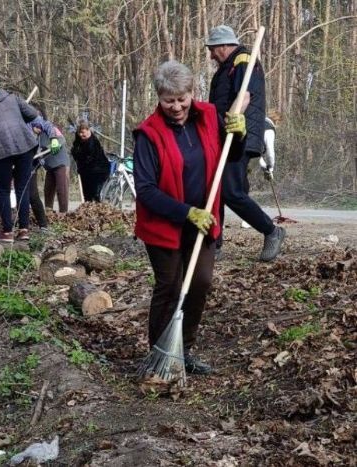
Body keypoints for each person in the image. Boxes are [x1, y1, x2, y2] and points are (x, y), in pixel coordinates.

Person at [133, 60, 247, 374]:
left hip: (204, 222)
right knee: (170, 287)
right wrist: (187, 213)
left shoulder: (209, 116)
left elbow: (230, 156)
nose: (177, 106)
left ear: (191, 92)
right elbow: (145, 190)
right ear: (159, 97)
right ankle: (159, 356)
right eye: (169, 100)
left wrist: (238, 135)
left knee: (199, 283)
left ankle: (183, 351)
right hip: (164, 226)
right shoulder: (148, 134)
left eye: (182, 98)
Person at [206, 25, 286, 262]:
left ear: (223, 45)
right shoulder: (225, 67)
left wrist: (233, 121)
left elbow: (245, 96)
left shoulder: (242, 59)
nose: (211, 55)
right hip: (223, 135)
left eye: (212, 50)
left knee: (231, 192)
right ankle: (214, 244)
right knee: (215, 190)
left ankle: (272, 231)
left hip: (239, 134)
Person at [0, 79, 39, 243]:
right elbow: (32, 114)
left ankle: (8, 232)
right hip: (25, 145)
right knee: (22, 188)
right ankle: (24, 230)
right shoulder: (12, 97)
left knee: (2, 190)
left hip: (0, 150)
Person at [28, 108, 70, 213]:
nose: (36, 128)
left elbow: (61, 140)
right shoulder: (36, 137)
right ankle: (48, 211)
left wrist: (49, 146)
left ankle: (63, 213)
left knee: (61, 189)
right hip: (49, 167)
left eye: (37, 125)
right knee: (48, 189)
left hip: (60, 163)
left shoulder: (51, 129)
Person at [71, 121, 111, 202]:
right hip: (86, 171)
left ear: (88, 130)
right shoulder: (78, 141)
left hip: (98, 171)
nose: (81, 135)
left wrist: (81, 161)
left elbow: (91, 158)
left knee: (95, 193)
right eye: (79, 133)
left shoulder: (93, 142)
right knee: (87, 194)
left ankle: (96, 206)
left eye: (83, 132)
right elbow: (74, 151)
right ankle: (88, 206)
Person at [259, 110, 280, 180]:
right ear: (277, 121)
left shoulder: (258, 122)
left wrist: (265, 168)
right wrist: (270, 168)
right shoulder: (269, 130)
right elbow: (270, 151)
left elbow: (255, 154)